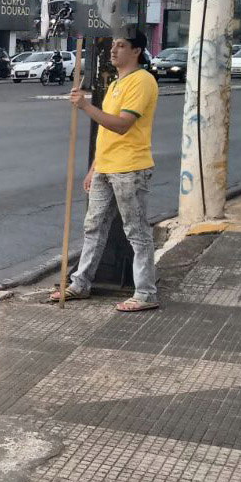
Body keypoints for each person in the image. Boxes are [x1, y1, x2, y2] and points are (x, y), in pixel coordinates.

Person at [52, 31, 159, 311]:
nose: (113, 50)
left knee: (136, 230)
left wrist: (85, 106)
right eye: (113, 45)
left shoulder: (142, 81)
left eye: (121, 46)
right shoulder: (115, 83)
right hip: (106, 166)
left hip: (130, 167)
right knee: (94, 226)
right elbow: (106, 133)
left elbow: (121, 125)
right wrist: (94, 167)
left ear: (136, 51)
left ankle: (146, 292)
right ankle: (80, 283)